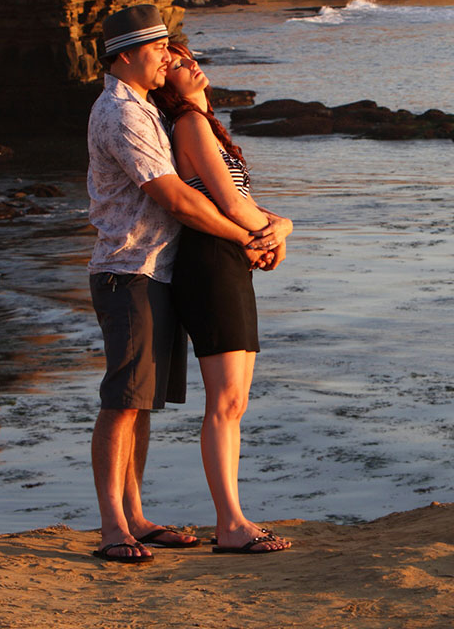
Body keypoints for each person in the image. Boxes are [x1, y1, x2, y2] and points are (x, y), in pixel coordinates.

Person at [87, 5, 281, 564]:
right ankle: (112, 527)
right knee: (122, 402)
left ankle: (137, 516)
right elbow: (175, 196)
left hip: (159, 269)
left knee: (140, 403)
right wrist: (246, 236)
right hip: (129, 270)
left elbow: (206, 194)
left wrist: (267, 228)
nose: (168, 59)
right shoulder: (121, 112)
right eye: (158, 51)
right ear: (124, 55)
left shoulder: (146, 110)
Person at [151, 44, 294, 554]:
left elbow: (242, 202)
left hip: (226, 259)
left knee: (234, 401)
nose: (190, 63)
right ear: (167, 87)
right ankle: (230, 525)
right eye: (175, 63)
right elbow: (230, 204)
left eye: (187, 55)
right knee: (226, 401)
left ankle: (232, 519)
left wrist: (281, 226)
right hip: (210, 262)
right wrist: (274, 234)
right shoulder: (190, 125)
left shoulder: (203, 124)